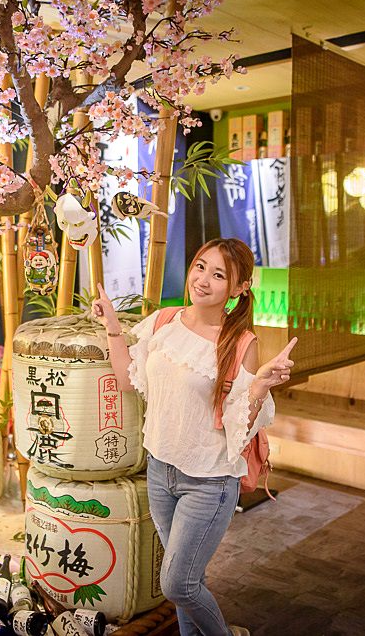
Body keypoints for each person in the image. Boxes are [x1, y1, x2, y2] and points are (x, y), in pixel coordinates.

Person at [92, 237, 297, 636]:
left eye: (218, 275)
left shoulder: (240, 343)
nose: (202, 279)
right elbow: (126, 380)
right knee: (187, 585)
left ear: (238, 289)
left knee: (178, 584)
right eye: (200, 266)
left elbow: (239, 426)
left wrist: (258, 389)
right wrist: (113, 327)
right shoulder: (164, 321)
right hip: (160, 470)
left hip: (208, 481)